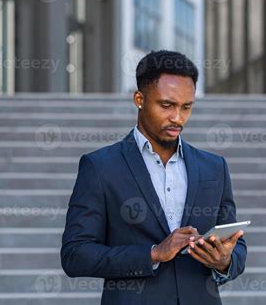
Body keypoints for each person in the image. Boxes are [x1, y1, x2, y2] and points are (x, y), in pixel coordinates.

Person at [61, 50, 247, 305]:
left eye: (186, 107)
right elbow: (75, 254)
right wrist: (153, 254)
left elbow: (237, 249)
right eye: (167, 105)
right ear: (139, 99)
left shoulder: (214, 167)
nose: (177, 118)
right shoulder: (100, 167)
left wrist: (224, 261)